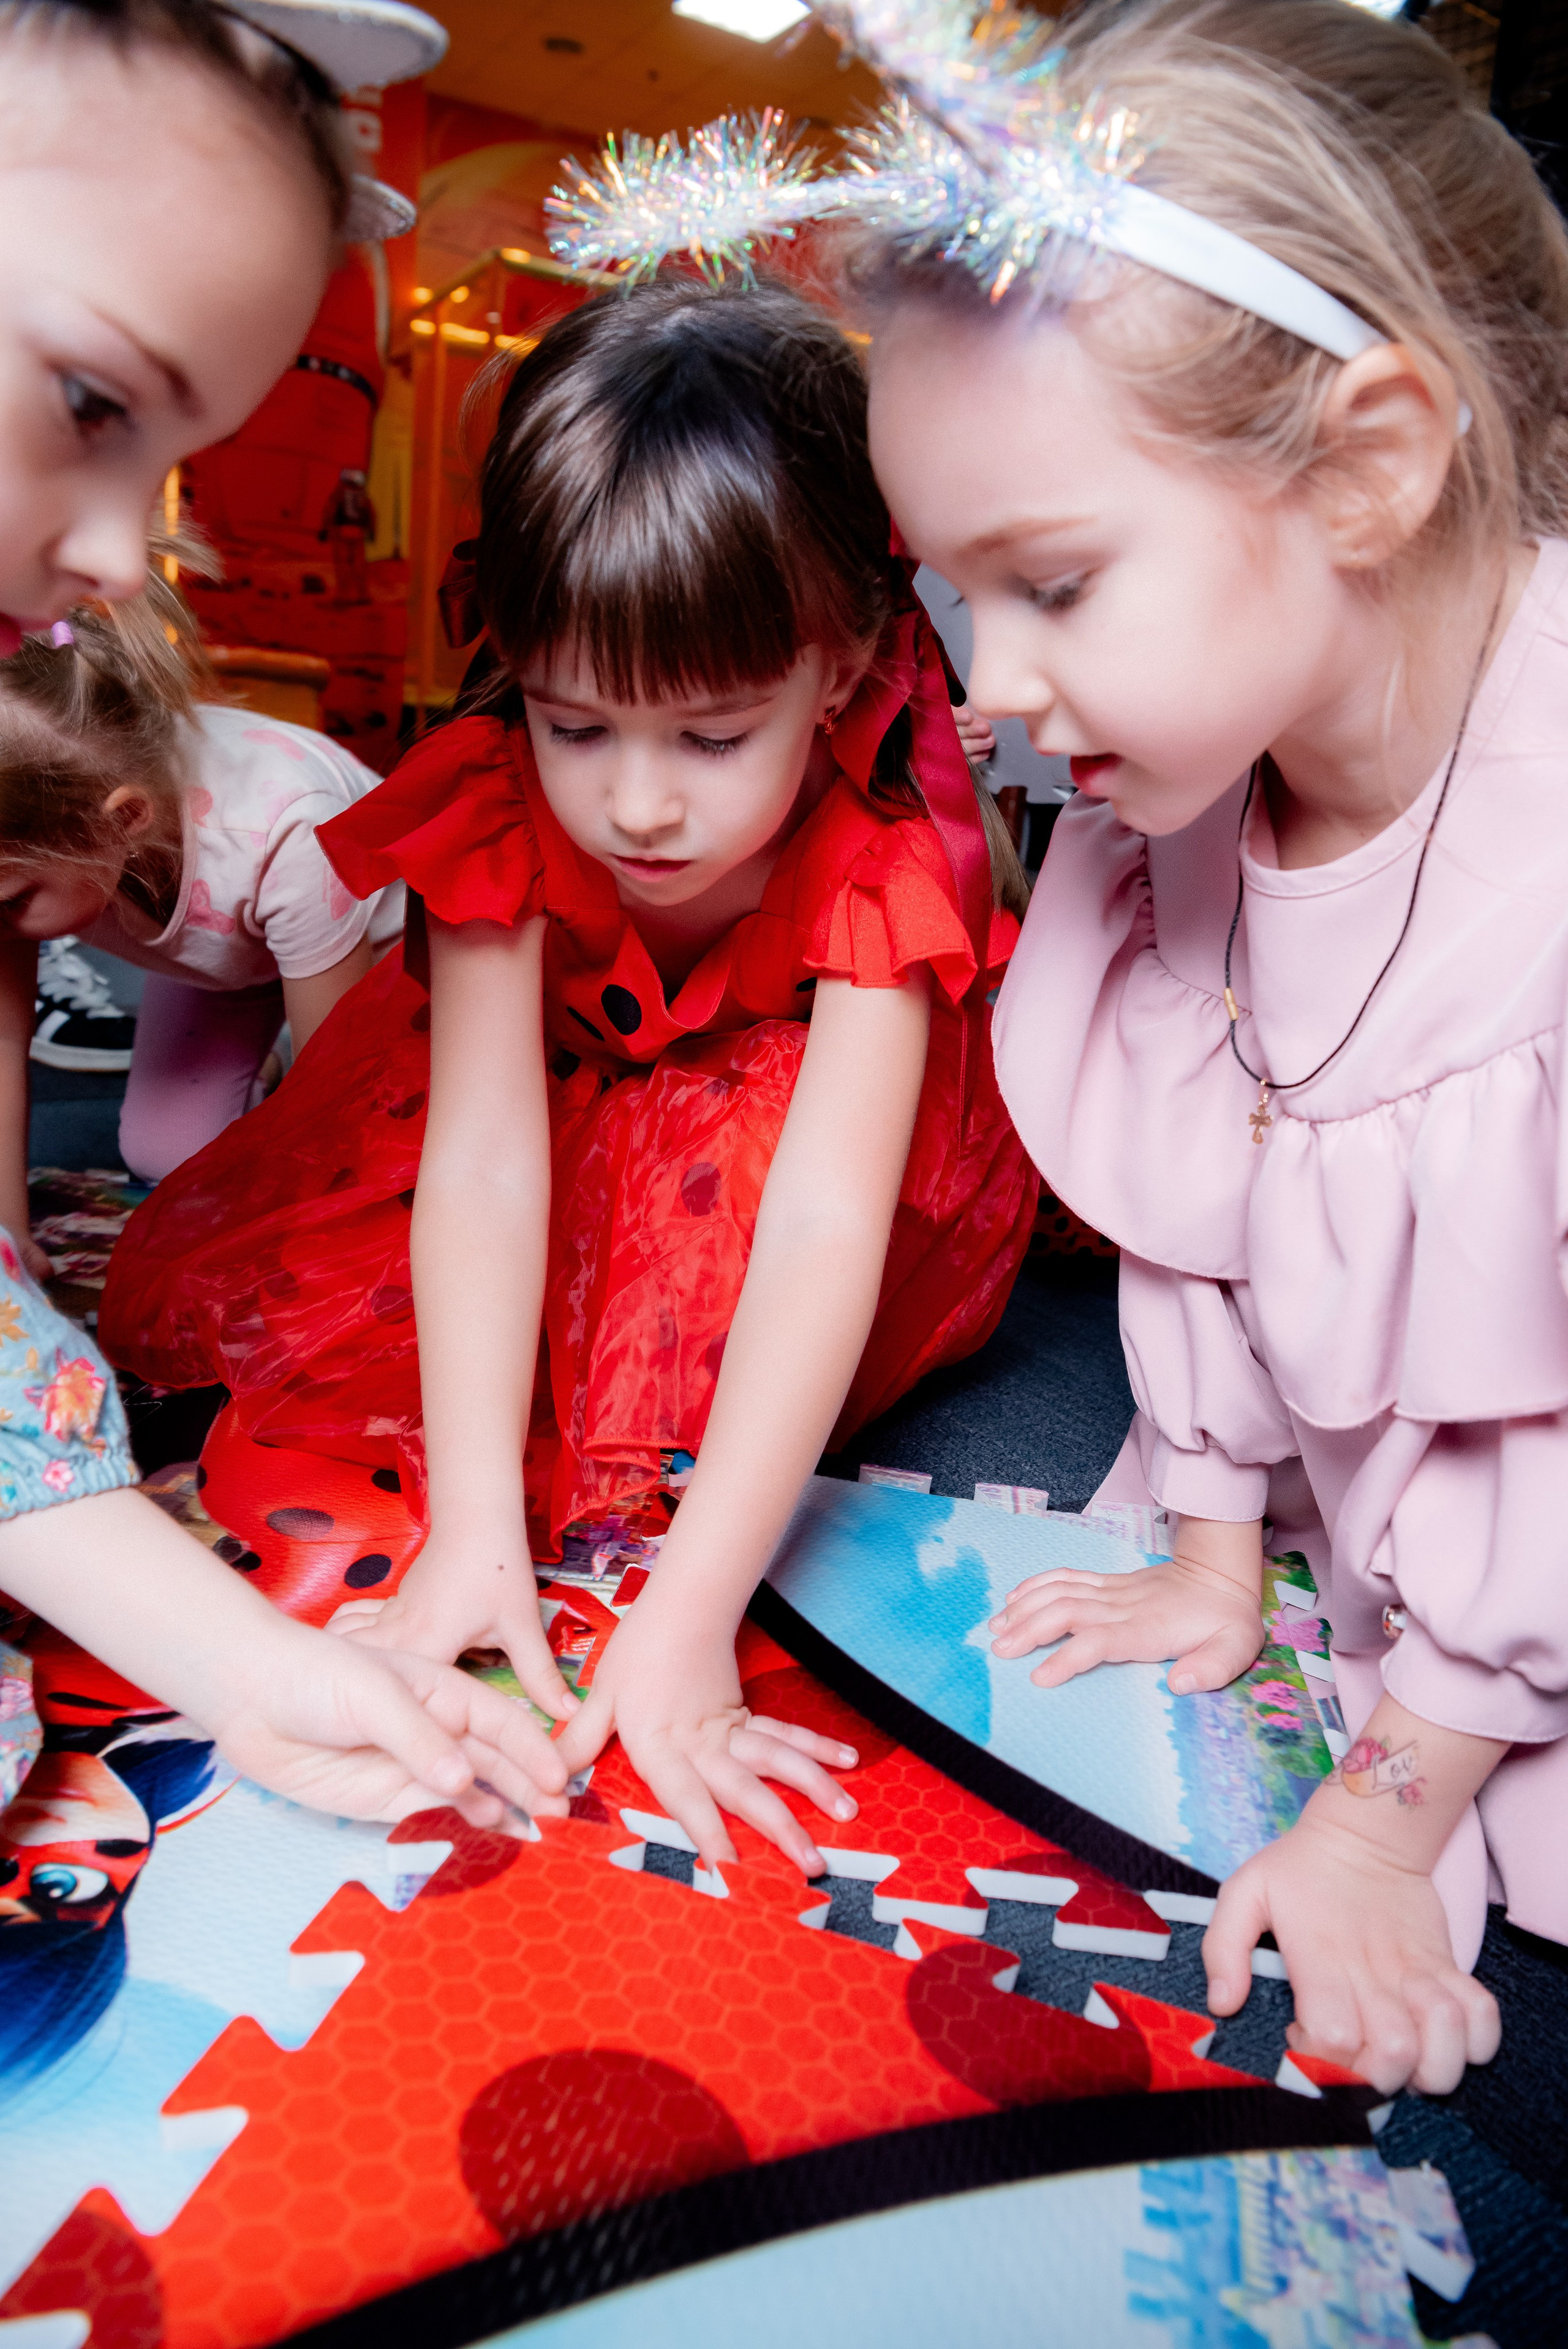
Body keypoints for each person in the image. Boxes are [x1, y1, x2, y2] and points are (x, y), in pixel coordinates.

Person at [842, 0, 1568, 2095]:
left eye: (1054, 581)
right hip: (1369, 1543)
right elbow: (1206, 1189)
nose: (989, 683)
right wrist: (1211, 1548)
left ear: (1366, 464)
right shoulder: (1169, 781)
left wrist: (1387, 1807)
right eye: (959, 598)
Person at [101, 279, 1040, 1877]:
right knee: (320, 1268)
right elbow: (477, 1158)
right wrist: (474, 1522)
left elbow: (825, 1227)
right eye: (574, 721)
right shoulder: (496, 800)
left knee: (699, 1344)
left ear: (837, 667)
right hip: (562, 1089)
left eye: (712, 735)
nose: (637, 806)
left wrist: (686, 1620)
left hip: (795, 1146)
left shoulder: (880, 841)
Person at [0, 0, 571, 1830]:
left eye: (154, 455)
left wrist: (248, 1667)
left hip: (293, 963)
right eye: (90, 402)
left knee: (213, 1143)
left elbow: (343, 1063)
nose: (114, 555)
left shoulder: (286, 825)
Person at [0, 545, 404, 1245]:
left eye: (12, 900)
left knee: (383, 1153)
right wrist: (9, 1241)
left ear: (122, 823)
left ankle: (279, 1051)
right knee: (164, 1156)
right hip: (230, 956)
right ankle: (261, 1054)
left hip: (388, 950)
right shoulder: (46, 845)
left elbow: (332, 1084)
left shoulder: (288, 828)